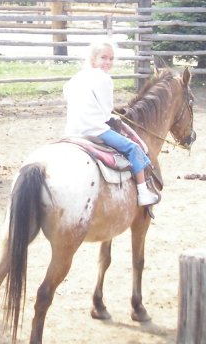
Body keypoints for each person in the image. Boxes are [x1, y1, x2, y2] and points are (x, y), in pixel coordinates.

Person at [63, 39, 160, 215]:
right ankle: (144, 192)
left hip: (72, 130)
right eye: (104, 58)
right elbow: (107, 112)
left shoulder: (76, 78)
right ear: (93, 59)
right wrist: (111, 116)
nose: (108, 62)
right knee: (133, 148)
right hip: (94, 130)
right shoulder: (104, 79)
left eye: (111, 59)